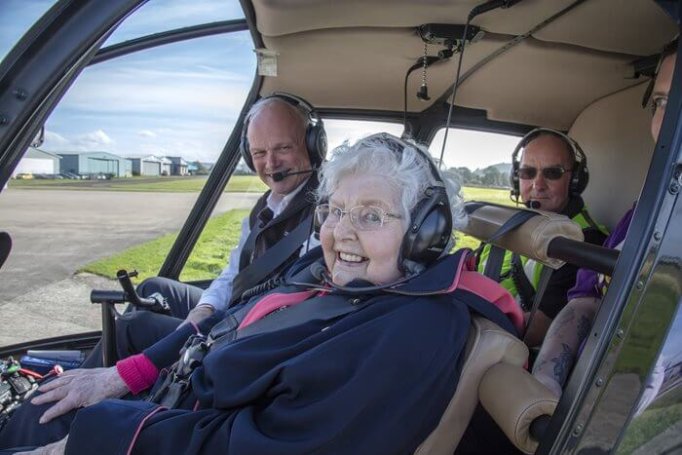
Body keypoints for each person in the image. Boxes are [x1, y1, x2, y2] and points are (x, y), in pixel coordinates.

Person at [0, 133, 523, 454]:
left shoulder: (410, 331)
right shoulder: (333, 273)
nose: (341, 232)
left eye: (371, 215)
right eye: (335, 210)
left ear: (424, 231)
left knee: (34, 422)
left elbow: (269, 446)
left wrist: (95, 438)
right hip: (173, 407)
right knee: (45, 405)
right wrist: (123, 376)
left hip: (176, 426)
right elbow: (228, 320)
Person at [99, 93, 327, 363]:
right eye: (259, 153)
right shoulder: (268, 205)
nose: (271, 163)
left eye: (283, 148)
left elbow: (297, 303)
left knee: (130, 328)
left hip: (255, 330)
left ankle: (69, 396)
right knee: (153, 288)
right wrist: (205, 308)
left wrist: (210, 325)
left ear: (314, 146)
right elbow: (235, 273)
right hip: (241, 307)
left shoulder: (325, 210)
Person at [532, 38, 678, 397]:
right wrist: (543, 387)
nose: (669, 123)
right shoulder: (642, 217)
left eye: (552, 172)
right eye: (662, 103)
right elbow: (586, 301)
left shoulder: (583, 237)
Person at [477, 129, 608, 347]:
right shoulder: (508, 223)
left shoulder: (582, 242)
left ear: (575, 180)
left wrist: (463, 326)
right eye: (527, 172)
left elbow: (536, 330)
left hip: (507, 353)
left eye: (553, 173)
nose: (537, 185)